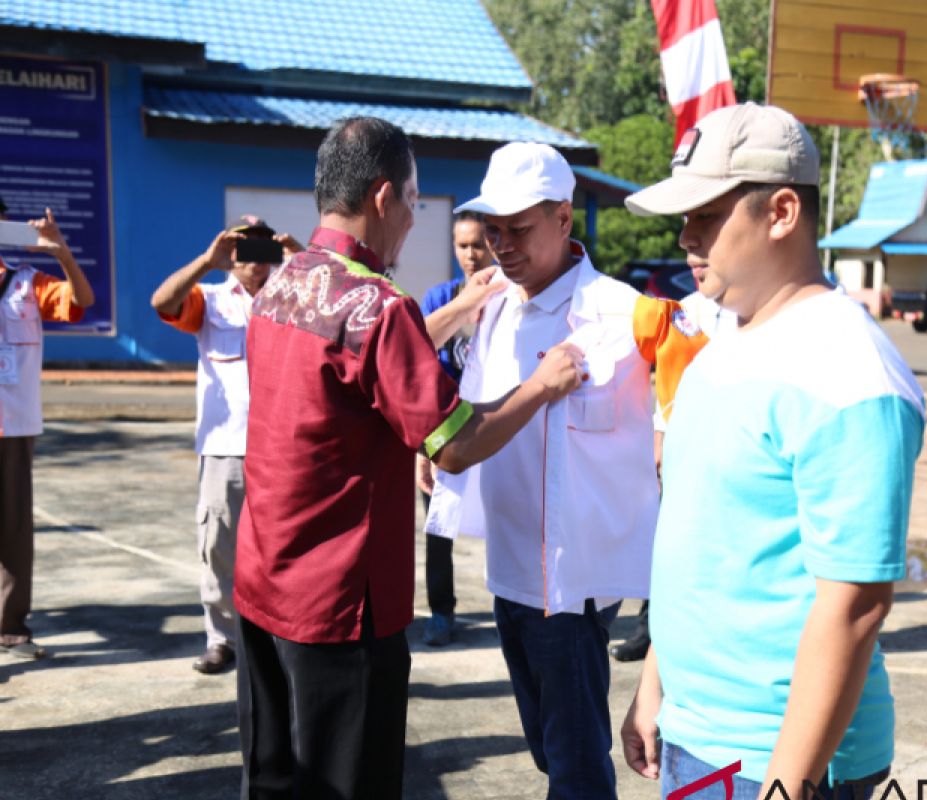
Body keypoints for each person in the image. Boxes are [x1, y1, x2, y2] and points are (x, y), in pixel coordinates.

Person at [234, 117, 586, 799]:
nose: (411, 223)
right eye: (415, 203)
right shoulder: (374, 305)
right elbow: (454, 446)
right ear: (384, 197)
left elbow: (366, 394)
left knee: (273, 781)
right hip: (340, 603)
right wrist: (542, 386)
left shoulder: (280, 286)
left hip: (263, 583)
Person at [619, 102, 924, 800]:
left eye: (706, 215)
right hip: (697, 729)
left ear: (781, 211)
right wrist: (655, 685)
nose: (687, 238)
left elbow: (855, 605)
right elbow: (702, 540)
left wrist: (788, 783)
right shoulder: (724, 347)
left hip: (777, 755)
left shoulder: (849, 375)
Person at [425, 141, 706, 799]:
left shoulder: (625, 313)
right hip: (509, 576)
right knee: (554, 754)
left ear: (563, 217)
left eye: (518, 229)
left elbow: (703, 381)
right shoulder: (490, 306)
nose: (502, 246)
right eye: (492, 231)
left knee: (578, 768)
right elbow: (410, 353)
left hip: (572, 592)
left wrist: (672, 450)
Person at [150, 216, 302, 674]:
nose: (255, 263)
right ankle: (223, 639)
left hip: (283, 448)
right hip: (225, 447)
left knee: (283, 549)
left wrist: (306, 265)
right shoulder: (210, 301)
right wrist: (206, 261)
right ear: (231, 256)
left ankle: (280, 640)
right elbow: (162, 301)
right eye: (244, 252)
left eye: (264, 252)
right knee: (219, 544)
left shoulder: (295, 300)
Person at [610, 269, 734, 664]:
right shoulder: (686, 311)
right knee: (665, 542)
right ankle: (651, 631)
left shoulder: (751, 313)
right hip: (683, 446)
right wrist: (660, 437)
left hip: (728, 449)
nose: (696, 261)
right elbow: (669, 383)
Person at [0, 204, 94, 660]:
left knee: (13, 529)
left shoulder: (25, 282)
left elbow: (81, 302)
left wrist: (62, 254)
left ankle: (11, 627)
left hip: (13, 424)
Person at [415, 210, 494, 647]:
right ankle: (441, 612)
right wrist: (420, 448)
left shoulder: (509, 296)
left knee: (509, 520)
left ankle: (514, 605)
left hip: (498, 424)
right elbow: (420, 369)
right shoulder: (440, 298)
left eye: (478, 244)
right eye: (462, 245)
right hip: (445, 429)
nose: (470, 254)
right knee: (438, 525)